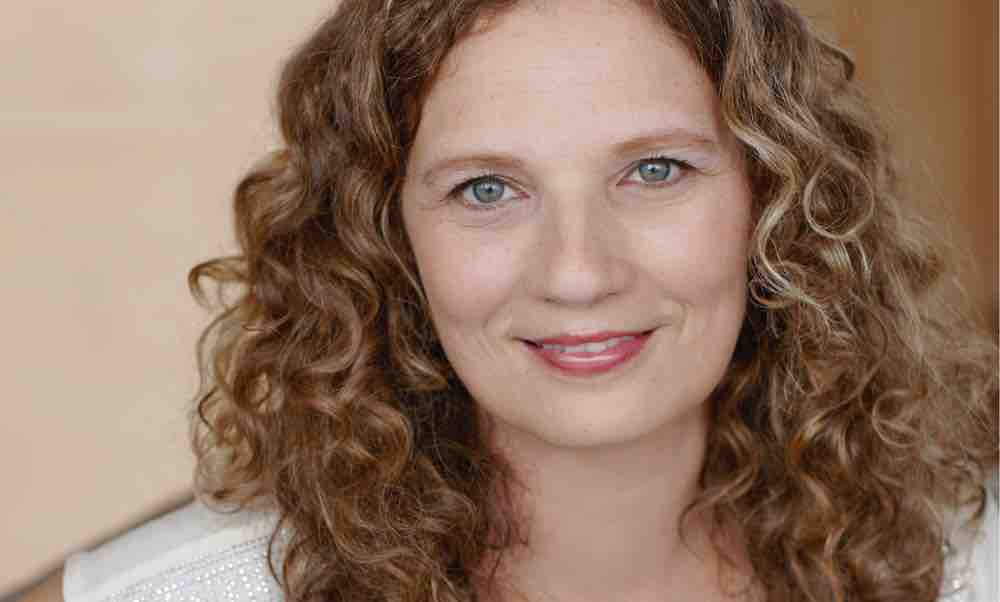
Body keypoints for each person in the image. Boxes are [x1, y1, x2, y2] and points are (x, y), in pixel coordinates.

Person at [21, 0, 998, 601]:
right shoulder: (180, 594)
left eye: (655, 170)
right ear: (383, 236)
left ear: (772, 198)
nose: (578, 272)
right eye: (487, 188)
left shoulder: (968, 569)